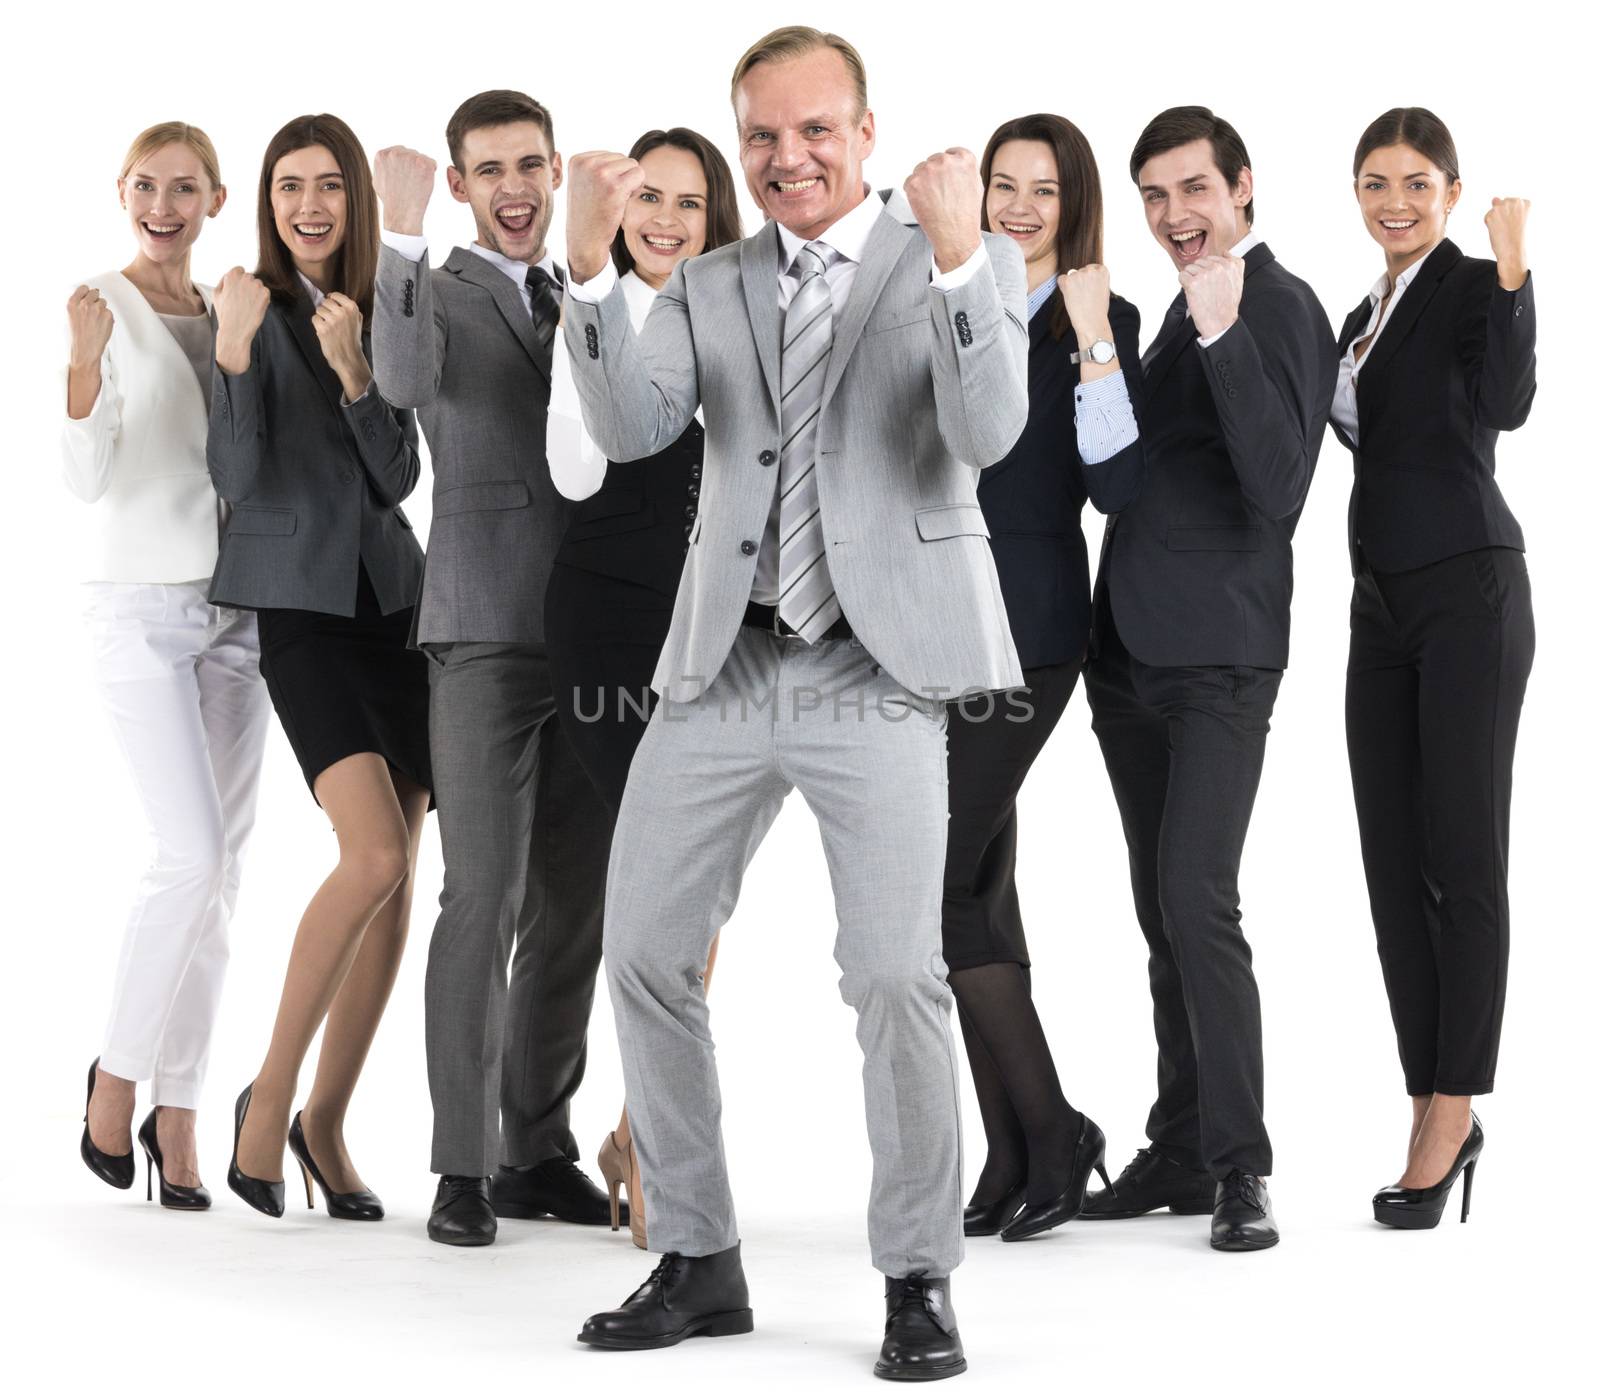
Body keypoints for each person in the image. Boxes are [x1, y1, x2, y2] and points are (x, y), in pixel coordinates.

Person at [561, 25, 1027, 1381]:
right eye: (761, 135)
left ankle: (918, 1274)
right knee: (643, 947)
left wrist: (951, 258)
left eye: (815, 130)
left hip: (876, 671)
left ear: (867, 134)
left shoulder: (957, 257)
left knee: (894, 973)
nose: (788, 157)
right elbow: (634, 424)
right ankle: (699, 1255)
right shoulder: (708, 277)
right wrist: (593, 271)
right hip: (726, 659)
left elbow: (988, 429)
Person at [1076, 107, 1337, 1251]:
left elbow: (1280, 490)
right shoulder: (1177, 313)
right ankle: (1180, 1146)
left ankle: (1239, 1166)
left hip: (1222, 658)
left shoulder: (1274, 306)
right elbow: (1127, 476)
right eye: (1154, 197)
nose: (1174, 217)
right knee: (1157, 910)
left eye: (1193, 190)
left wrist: (1225, 334)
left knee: (1198, 900)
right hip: (1129, 653)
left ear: (1241, 187)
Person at [370, 91, 616, 1248]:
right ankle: (460, 1165)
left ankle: (534, 1146)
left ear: (555, 169)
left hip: (592, 637)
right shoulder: (440, 288)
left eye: (529, 164)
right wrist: (400, 235)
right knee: (481, 894)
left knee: (574, 904)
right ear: (463, 185)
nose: (514, 187)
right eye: (491, 171)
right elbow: (405, 381)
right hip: (477, 628)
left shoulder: (584, 283)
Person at [206, 113, 431, 1221]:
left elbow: (399, 475)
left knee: (400, 883)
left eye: (329, 185)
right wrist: (237, 353)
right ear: (270, 198)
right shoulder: (241, 303)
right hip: (300, 613)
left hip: (396, 608)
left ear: (354, 200)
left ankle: (326, 1124)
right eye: (290, 185)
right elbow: (238, 478)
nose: (309, 205)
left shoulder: (384, 307)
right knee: (370, 852)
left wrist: (355, 370)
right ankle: (269, 1094)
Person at [1332, 108, 1535, 1230]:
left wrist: (1513, 279)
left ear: (1450, 192)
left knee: (1463, 858)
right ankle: (1425, 1093)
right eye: (1373, 182)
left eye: (1414, 182)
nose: (1393, 200)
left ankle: (1451, 1111)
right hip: (1378, 610)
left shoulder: (1466, 288)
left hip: (1468, 592)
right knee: (1390, 865)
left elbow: (1504, 404)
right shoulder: (1362, 312)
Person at [542, 125, 743, 1251]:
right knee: (659, 885)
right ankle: (652, 1142)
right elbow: (577, 467)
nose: (666, 221)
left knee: (702, 893)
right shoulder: (591, 307)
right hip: (612, 631)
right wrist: (602, 322)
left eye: (690, 204)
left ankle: (638, 1131)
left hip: (717, 630)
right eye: (648, 199)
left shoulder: (744, 316)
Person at [946, 112, 1145, 1245]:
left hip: (1028, 634)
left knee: (932, 888)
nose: (1019, 207)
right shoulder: (948, 296)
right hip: (935, 632)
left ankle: (1055, 1127)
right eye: (1002, 186)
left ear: (1071, 206)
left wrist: (1093, 341)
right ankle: (1017, 1147)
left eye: (1043, 190)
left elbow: (1115, 486)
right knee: (975, 887)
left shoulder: (1096, 318)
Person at [67, 122, 271, 1211]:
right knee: (185, 856)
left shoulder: (235, 301)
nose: (163, 204)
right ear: (123, 192)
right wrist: (82, 369)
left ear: (215, 198)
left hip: (236, 609)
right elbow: (84, 475)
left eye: (184, 189)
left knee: (224, 872)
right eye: (147, 186)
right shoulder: (99, 298)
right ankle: (116, 1071)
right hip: (140, 605)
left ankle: (179, 1106)